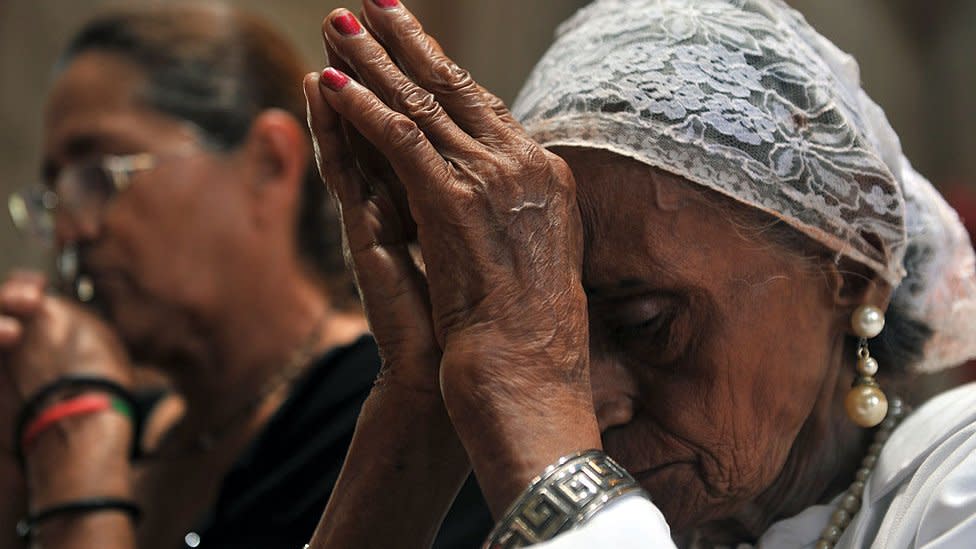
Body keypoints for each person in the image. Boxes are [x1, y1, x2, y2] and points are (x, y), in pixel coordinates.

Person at [302, 0, 976, 547]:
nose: (583, 401)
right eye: (554, 336)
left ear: (853, 270)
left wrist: (533, 404)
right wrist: (419, 403)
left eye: (644, 324)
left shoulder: (957, 482)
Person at [0, 5, 490, 548]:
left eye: (99, 175)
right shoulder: (132, 429)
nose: (72, 230)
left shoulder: (401, 407)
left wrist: (77, 442)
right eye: (55, 196)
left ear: (269, 162)